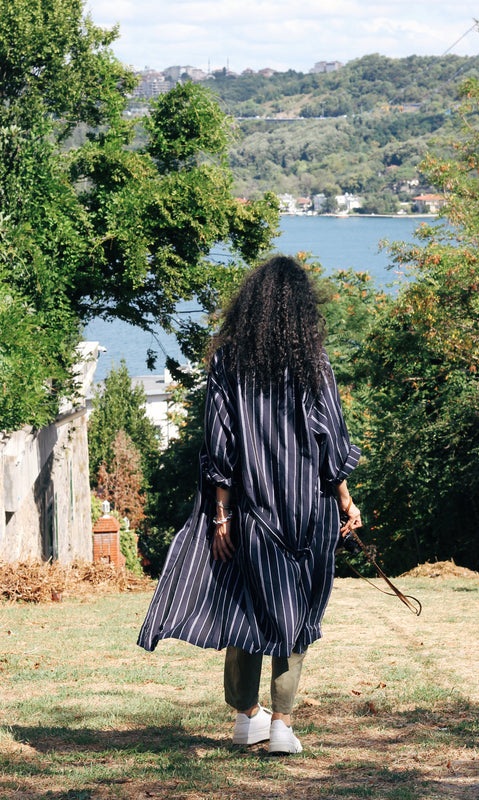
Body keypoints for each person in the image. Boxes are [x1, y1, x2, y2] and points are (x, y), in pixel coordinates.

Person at [138, 255, 362, 754]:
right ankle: (281, 723)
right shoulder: (314, 362)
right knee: (297, 610)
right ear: (301, 307)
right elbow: (331, 439)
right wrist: (346, 500)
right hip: (308, 510)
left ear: (252, 304)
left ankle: (246, 717)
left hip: (252, 511)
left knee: (247, 606)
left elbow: (219, 443)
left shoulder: (228, 362)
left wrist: (221, 515)